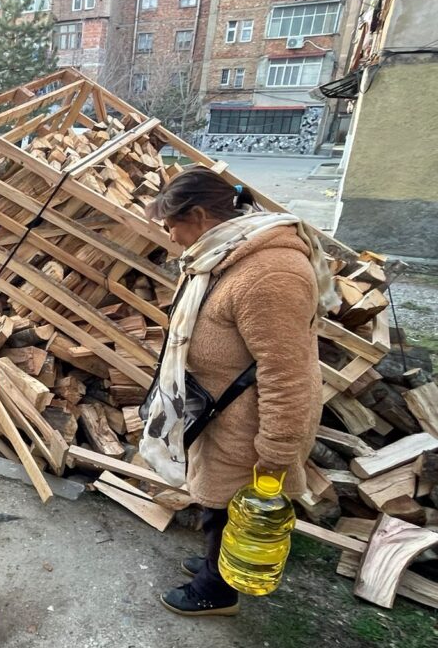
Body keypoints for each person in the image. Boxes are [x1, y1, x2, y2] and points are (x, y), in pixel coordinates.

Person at [140, 167, 337, 617]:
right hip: (221, 408)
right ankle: (217, 562)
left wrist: (278, 446)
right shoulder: (222, 252)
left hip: (252, 417)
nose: (170, 238)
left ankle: (217, 590)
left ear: (201, 215)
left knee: (234, 502)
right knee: (216, 496)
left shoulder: (270, 273)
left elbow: (286, 371)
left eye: (172, 225)